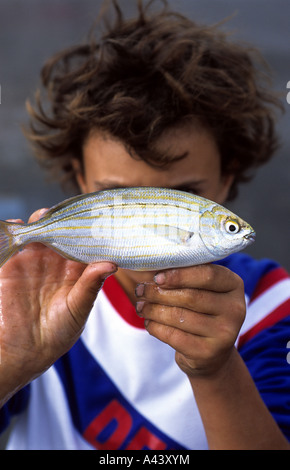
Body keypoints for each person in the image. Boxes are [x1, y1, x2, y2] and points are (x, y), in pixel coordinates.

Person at [0, 0, 289, 450]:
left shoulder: (273, 303)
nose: (149, 225)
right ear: (80, 182)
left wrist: (216, 369)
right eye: (119, 198)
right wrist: (10, 364)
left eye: (184, 196)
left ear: (227, 177)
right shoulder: (25, 299)